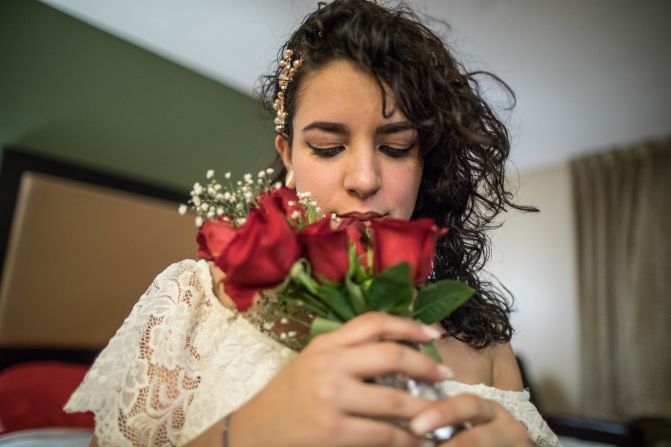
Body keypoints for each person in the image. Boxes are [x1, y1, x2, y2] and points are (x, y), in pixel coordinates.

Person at [66, 1, 560, 446]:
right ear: (288, 156)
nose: (365, 178)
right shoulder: (193, 302)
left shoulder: (486, 349)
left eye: (395, 148)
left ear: (423, 165)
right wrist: (250, 432)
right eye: (328, 147)